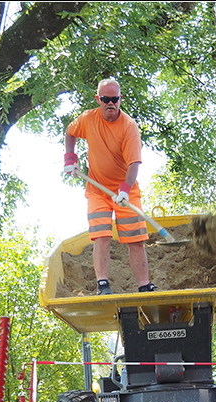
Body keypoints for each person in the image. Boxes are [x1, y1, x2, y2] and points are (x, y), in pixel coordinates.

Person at [64, 78, 155, 295]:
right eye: (106, 99)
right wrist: (69, 158)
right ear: (98, 100)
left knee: (136, 240)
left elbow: (134, 164)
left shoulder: (129, 127)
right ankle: (102, 284)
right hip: (98, 190)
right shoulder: (87, 119)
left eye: (114, 99)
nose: (110, 104)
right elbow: (70, 132)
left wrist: (124, 189)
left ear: (120, 99)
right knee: (101, 235)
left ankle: (144, 286)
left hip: (126, 189)